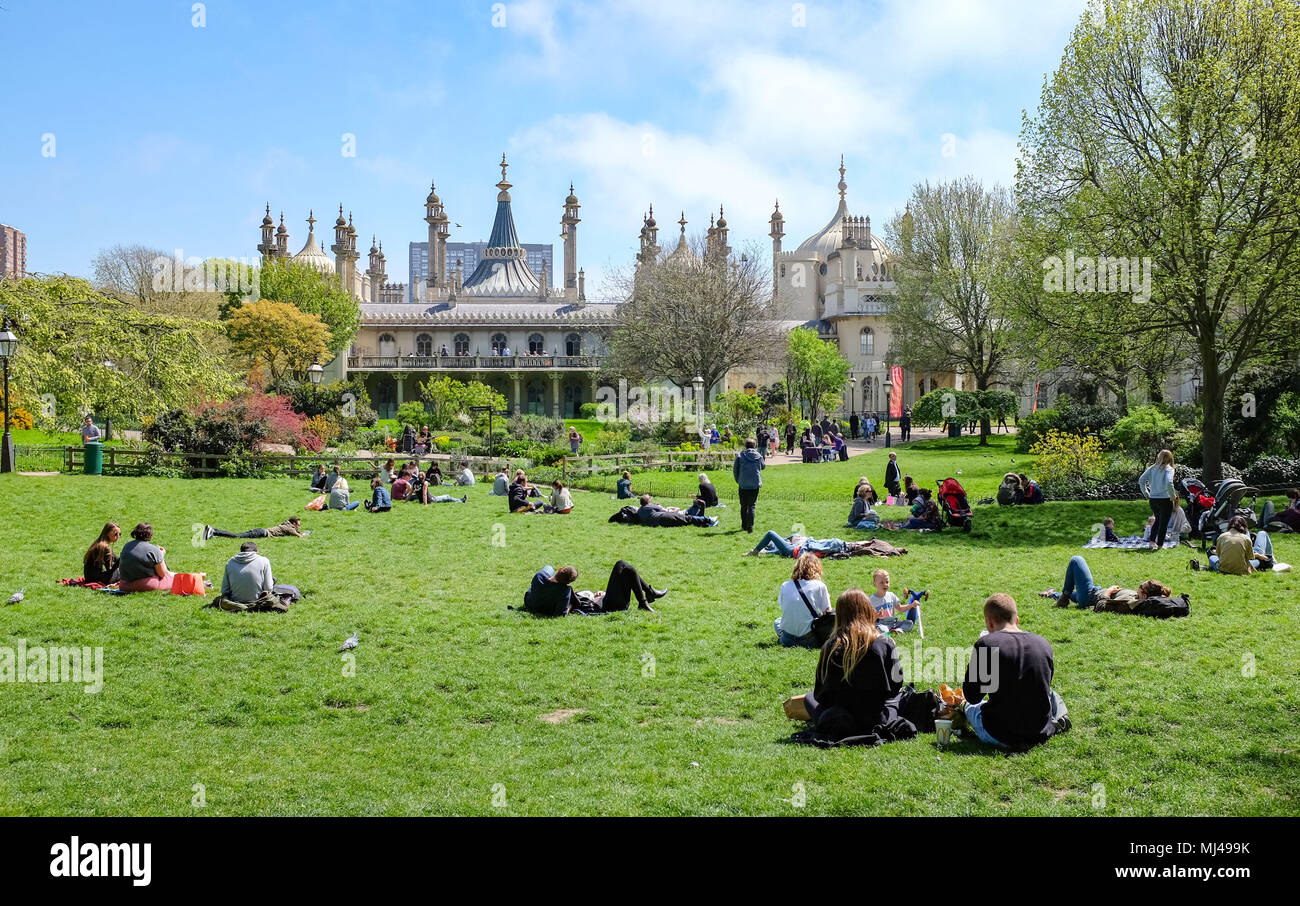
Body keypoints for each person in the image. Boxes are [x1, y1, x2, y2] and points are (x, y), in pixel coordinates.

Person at [960, 594, 1069, 750]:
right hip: (1040, 731)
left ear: (989, 622)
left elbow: (973, 696)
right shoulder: (1043, 643)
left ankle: (960, 707)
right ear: (1016, 619)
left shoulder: (986, 644)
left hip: (1001, 733)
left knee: (971, 708)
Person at [801, 589, 905, 740]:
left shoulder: (830, 647)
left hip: (838, 718)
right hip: (876, 719)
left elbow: (819, 694)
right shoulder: (884, 643)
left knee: (808, 698)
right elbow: (896, 685)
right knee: (899, 697)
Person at [521, 563, 666, 616]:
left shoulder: (539, 578)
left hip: (602, 599)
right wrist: (595, 599)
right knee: (622, 566)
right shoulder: (564, 593)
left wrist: (593, 596)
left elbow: (547, 570)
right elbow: (562, 613)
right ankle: (645, 598)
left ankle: (647, 596)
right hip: (609, 604)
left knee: (626, 569)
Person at [1038, 554, 1171, 611]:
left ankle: (1064, 597)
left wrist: (1108, 591)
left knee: (1076, 560)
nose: (1139, 586)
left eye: (1141, 586)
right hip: (1093, 593)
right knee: (1075, 595)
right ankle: (1053, 594)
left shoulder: (1131, 602)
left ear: (1145, 595)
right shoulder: (1140, 598)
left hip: (1091, 596)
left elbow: (1102, 605)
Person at [774, 554, 833, 648]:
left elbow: (784, 605)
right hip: (809, 640)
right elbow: (828, 614)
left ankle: (783, 636)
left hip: (787, 640)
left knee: (777, 621)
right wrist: (827, 597)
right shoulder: (819, 585)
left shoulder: (785, 585)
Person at [1193, 516, 1274, 574]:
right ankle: (1271, 561)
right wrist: (1259, 556)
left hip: (1223, 569)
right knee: (1258, 560)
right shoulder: (1246, 538)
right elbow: (1250, 557)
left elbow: (1218, 555)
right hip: (1242, 569)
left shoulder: (1221, 536)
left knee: (1212, 557)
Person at [118, 523, 176, 592]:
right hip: (145, 585)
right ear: (150, 535)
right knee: (173, 578)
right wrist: (161, 556)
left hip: (124, 585)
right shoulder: (153, 550)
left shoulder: (127, 546)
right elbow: (162, 574)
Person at [1138, 449, 1177, 550]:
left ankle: (1151, 542)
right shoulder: (1169, 469)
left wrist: (1146, 493)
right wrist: (1173, 495)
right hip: (1165, 499)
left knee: (1157, 520)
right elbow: (1169, 482)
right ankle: (1159, 545)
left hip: (1153, 499)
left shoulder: (1152, 468)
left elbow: (1141, 480)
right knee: (1163, 523)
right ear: (1170, 458)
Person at [733, 439, 764, 533]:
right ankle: (750, 527)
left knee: (743, 506)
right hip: (755, 484)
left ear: (745, 445)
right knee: (752, 506)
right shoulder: (758, 455)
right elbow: (763, 466)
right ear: (754, 446)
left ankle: (744, 526)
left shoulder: (740, 455)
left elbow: (735, 469)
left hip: (743, 483)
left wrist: (738, 480)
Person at [635, 494, 716, 527]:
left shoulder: (639, 510)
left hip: (660, 523)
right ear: (648, 501)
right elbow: (664, 510)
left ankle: (706, 523)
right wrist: (659, 506)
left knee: (685, 521)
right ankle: (709, 519)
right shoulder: (650, 506)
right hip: (663, 517)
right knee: (688, 518)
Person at [204, 516, 306, 540]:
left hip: (261, 531)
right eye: (298, 525)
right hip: (261, 533)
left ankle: (214, 531)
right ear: (293, 524)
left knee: (238, 535)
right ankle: (214, 532)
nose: (299, 527)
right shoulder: (289, 528)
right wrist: (304, 534)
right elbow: (299, 536)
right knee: (236, 536)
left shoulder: (286, 525)